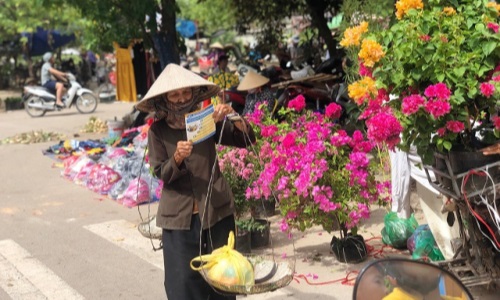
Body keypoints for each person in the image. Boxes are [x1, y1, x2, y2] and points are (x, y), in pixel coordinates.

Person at [135, 63, 256, 300]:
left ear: (193, 94)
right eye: (175, 94)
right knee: (183, 285)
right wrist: (177, 158)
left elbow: (245, 139)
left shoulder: (206, 121)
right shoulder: (157, 132)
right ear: (165, 98)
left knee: (224, 282)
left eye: (185, 93)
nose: (181, 99)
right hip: (179, 222)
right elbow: (161, 173)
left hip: (216, 214)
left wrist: (233, 117)